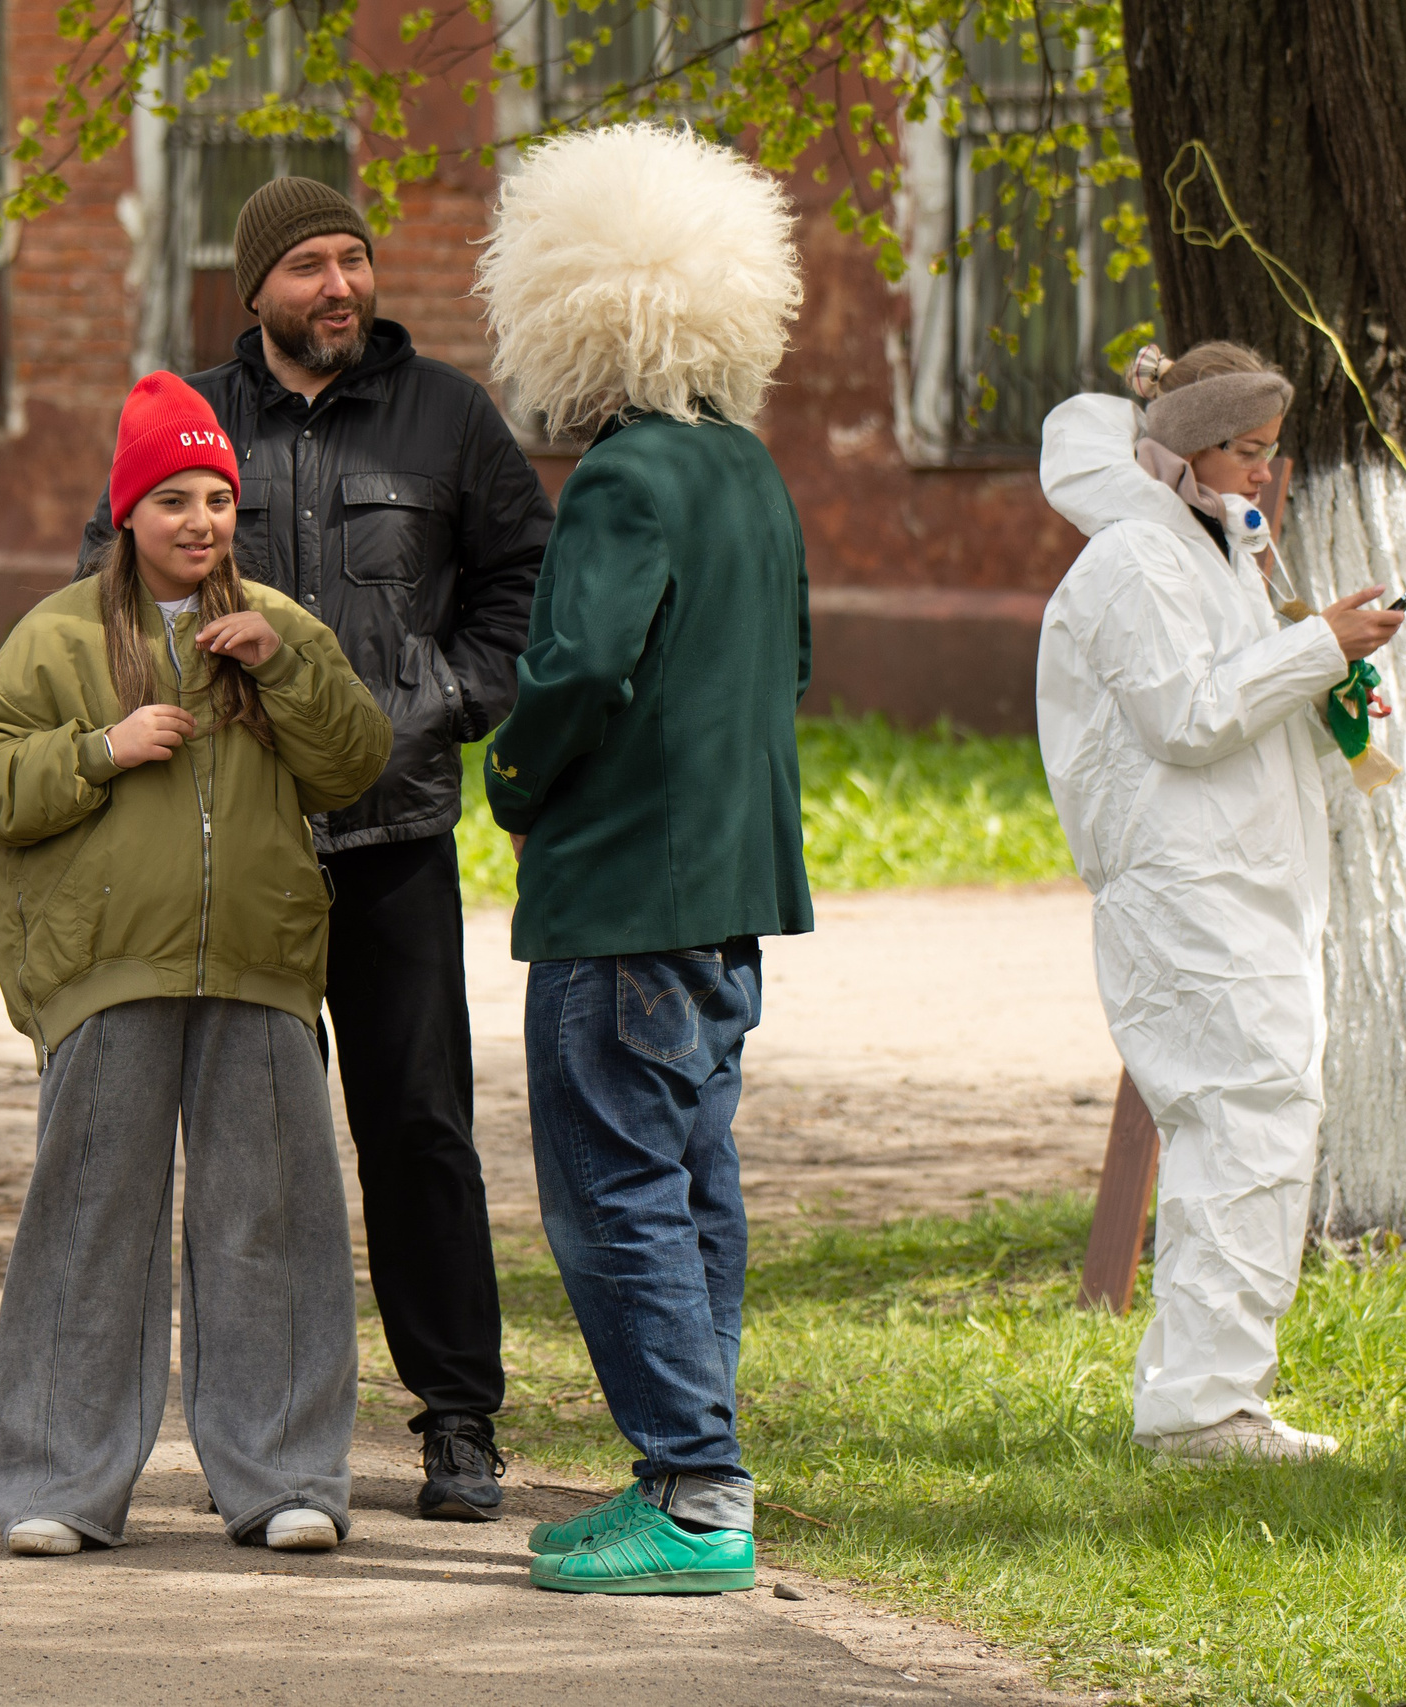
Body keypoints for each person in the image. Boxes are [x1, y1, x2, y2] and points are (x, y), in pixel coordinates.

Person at [75, 175, 552, 1521]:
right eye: (307, 267)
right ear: (256, 289)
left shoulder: (450, 417)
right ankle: (276, 1445)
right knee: (257, 1145)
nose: (337, 286)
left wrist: (435, 702)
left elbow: (527, 577)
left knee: (418, 1127)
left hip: (394, 831)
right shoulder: (191, 419)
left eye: (353, 259)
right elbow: (100, 582)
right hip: (245, 844)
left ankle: (459, 1416)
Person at [0, 372, 393, 1558]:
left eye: (217, 501)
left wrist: (288, 664)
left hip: (258, 966)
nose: (200, 524)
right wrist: (101, 748)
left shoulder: (278, 625)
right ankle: (56, 1483)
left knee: (273, 1222)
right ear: (127, 515)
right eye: (173, 501)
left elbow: (354, 765)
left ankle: (287, 1477)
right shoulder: (54, 634)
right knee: (91, 1219)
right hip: (108, 969)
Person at [474, 125, 809, 1594]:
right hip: (728, 893)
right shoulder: (747, 470)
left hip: (619, 894)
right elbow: (789, 664)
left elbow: (577, 661)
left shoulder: (624, 479)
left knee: (612, 1184)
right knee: (689, 1172)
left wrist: (515, 775)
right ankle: (691, 1468)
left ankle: (693, 1492)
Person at [1037, 341, 1404, 1465]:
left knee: (1256, 1120)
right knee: (1241, 1121)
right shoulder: (1134, 561)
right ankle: (1201, 1407)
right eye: (1244, 450)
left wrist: (1333, 679)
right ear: (1185, 446)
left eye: (1267, 450)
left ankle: (1208, 1396)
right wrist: (1310, 649)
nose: (1260, 471)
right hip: (1185, 887)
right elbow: (1184, 719)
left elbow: (1238, 705)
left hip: (1243, 882)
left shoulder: (1218, 552)